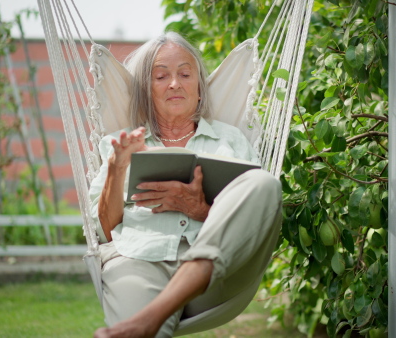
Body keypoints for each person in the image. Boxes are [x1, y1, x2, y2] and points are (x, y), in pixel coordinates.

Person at [89, 32, 282, 338]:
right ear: (146, 91)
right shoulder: (120, 144)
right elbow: (104, 230)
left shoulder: (231, 140)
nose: (175, 83)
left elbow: (253, 215)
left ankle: (154, 312)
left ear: (199, 89)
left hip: (217, 273)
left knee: (264, 184)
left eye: (185, 74)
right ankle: (152, 318)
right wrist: (116, 167)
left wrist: (202, 210)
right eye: (161, 76)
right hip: (138, 261)